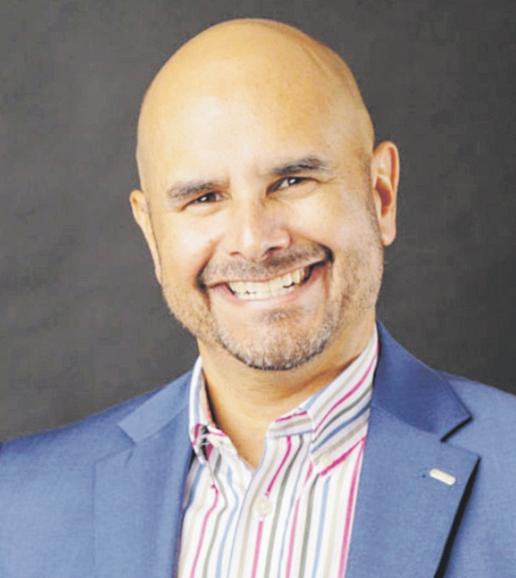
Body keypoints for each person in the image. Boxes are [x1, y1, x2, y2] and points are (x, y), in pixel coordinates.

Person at [0, 18, 514, 578]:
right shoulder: (19, 507)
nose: (254, 240)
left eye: (292, 180)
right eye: (204, 197)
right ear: (152, 234)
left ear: (380, 193)